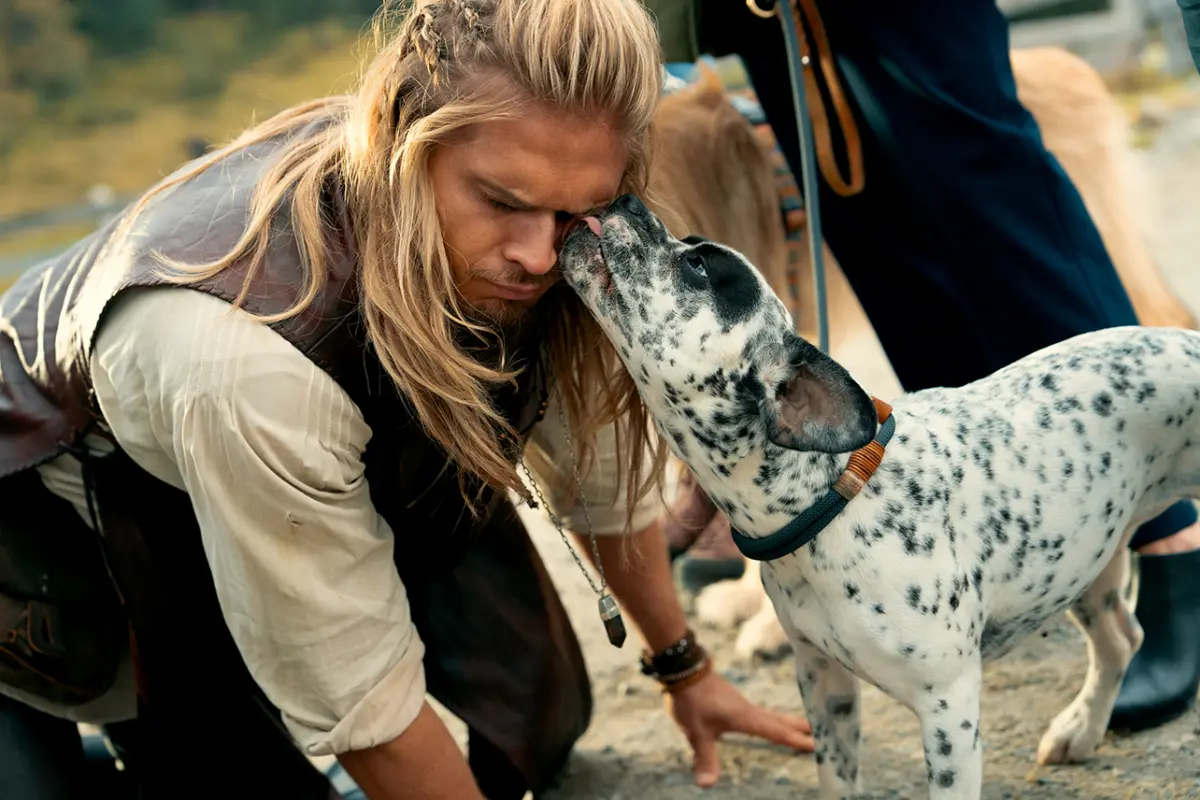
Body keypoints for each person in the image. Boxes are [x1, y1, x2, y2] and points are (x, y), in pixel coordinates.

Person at [0, 1, 816, 798]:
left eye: (575, 212)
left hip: (330, 431)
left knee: (536, 727)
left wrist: (684, 668)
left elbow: (591, 469)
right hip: (64, 501)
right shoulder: (250, 362)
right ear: (401, 139)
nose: (539, 256)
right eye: (501, 202)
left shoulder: (555, 226)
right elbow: (359, 696)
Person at [664, 0, 1200, 733]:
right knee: (871, 221)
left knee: (989, 185)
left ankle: (1173, 543)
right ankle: (1013, 543)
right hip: (774, 13)